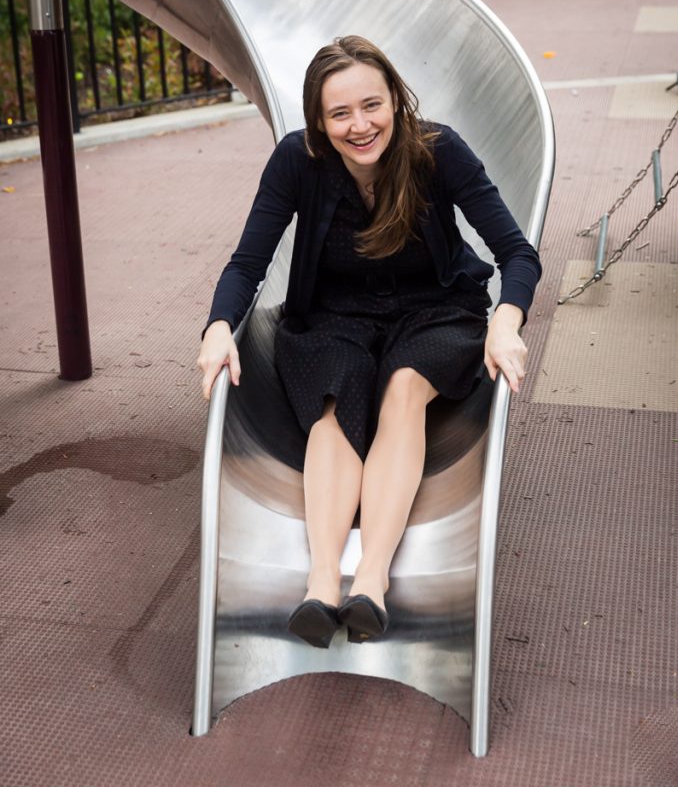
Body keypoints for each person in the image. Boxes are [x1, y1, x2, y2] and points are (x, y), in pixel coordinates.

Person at [197, 35, 541, 649]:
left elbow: (517, 253)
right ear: (318, 121)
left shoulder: (437, 152)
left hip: (435, 310)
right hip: (335, 317)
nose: (360, 125)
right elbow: (248, 261)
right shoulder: (296, 161)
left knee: (403, 389)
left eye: (372, 105)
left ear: (395, 101)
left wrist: (506, 321)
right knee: (333, 404)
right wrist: (220, 326)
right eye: (340, 113)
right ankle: (322, 582)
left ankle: (372, 581)